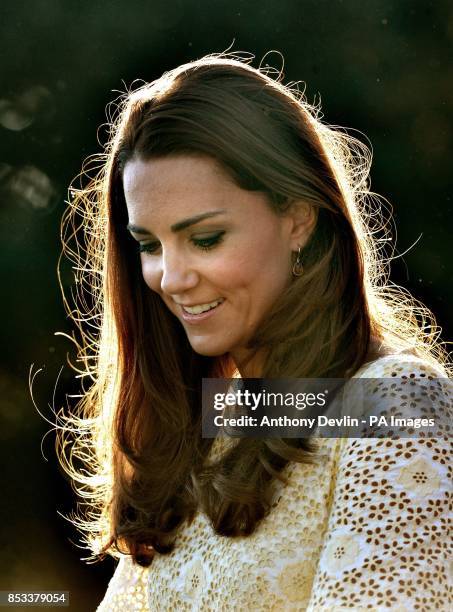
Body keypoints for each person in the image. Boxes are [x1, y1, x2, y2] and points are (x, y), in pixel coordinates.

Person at [59, 53, 452, 610]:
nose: (170, 278)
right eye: (149, 246)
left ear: (297, 218)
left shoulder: (394, 403)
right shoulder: (216, 424)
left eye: (207, 238)